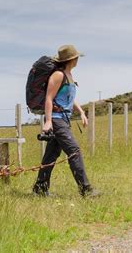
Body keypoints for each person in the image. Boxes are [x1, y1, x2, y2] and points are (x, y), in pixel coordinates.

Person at [32, 44, 99, 197]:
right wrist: (48, 121)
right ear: (72, 59)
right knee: (74, 151)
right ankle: (86, 190)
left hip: (63, 118)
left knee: (51, 155)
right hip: (56, 120)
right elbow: (49, 98)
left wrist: (81, 111)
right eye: (76, 57)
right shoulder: (58, 75)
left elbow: (69, 98)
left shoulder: (68, 75)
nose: (77, 60)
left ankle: (40, 189)